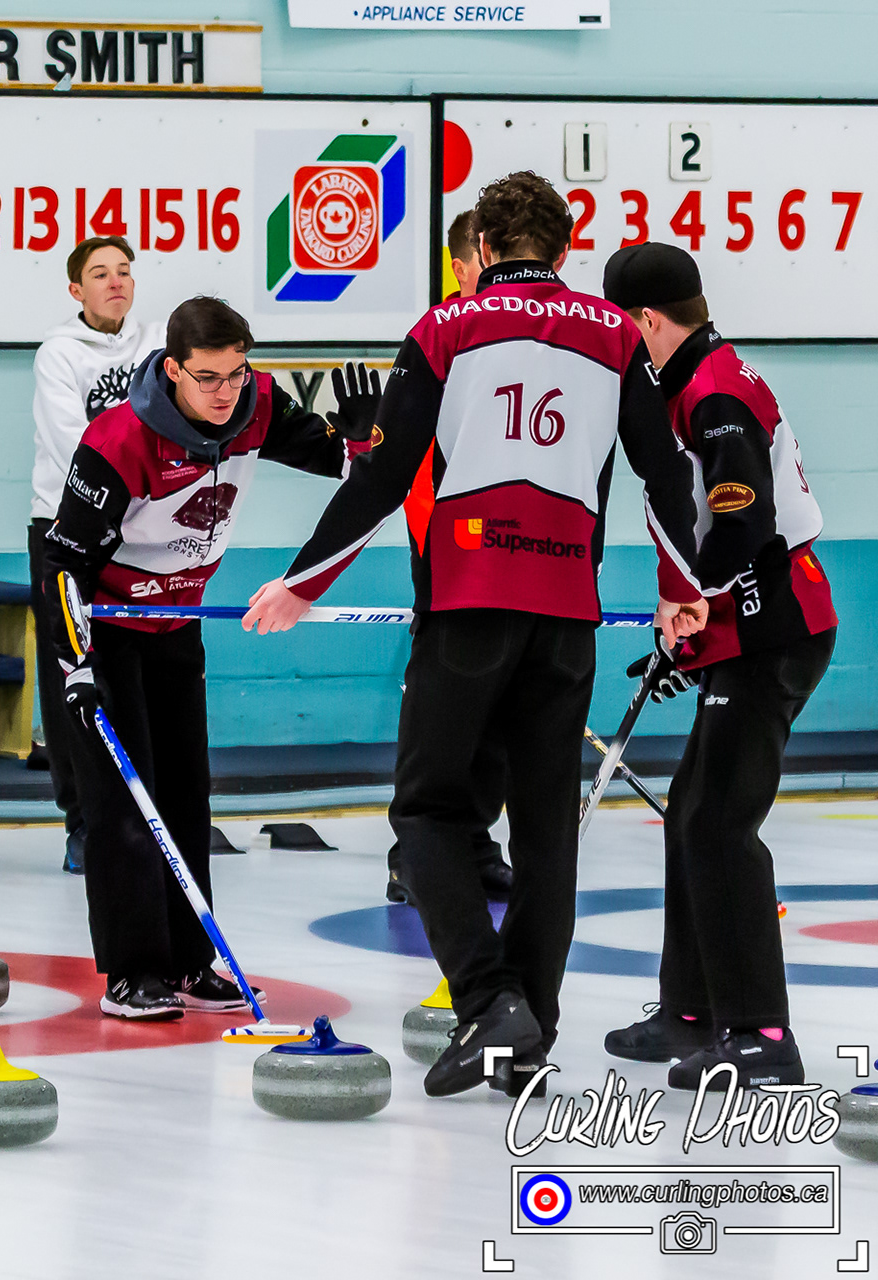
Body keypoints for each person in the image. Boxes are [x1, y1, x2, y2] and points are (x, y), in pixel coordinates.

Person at [242, 172, 708, 1096]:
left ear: (484, 251)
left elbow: (384, 475)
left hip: (467, 603)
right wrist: (682, 589)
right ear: (566, 252)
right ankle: (525, 1032)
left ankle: (488, 1000)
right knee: (546, 831)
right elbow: (666, 475)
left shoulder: (441, 330)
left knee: (425, 809)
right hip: (566, 608)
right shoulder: (618, 338)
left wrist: (301, 581)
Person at [41, 295, 379, 1020]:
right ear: (172, 370)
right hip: (110, 628)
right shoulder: (118, 441)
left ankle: (193, 962)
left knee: (187, 796)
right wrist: (77, 665)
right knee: (126, 805)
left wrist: (359, 442)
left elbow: (333, 462)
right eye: (208, 378)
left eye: (237, 373)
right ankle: (134, 972)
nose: (226, 393)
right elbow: (62, 563)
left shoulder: (255, 407)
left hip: (177, 622)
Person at [598, 242, 837, 1090]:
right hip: (749, 624)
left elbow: (742, 520)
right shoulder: (698, 379)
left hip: (776, 626)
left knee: (719, 822)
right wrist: (689, 638)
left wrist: (695, 606)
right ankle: (690, 1011)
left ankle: (761, 1033)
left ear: (646, 322)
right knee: (693, 812)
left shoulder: (715, 393)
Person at [386, 208, 513, 906]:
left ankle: (473, 839)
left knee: (501, 701)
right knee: (442, 700)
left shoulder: (531, 336)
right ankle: (414, 851)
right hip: (445, 540)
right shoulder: (444, 337)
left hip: (513, 545)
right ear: (465, 266)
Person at [30, 235, 165, 875]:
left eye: (124, 271)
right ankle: (82, 821)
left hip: (144, 527)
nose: (116, 282)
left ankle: (150, 811)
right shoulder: (58, 355)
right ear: (76, 290)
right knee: (74, 672)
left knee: (145, 668)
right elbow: (70, 447)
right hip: (69, 523)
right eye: (100, 274)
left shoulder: (159, 347)